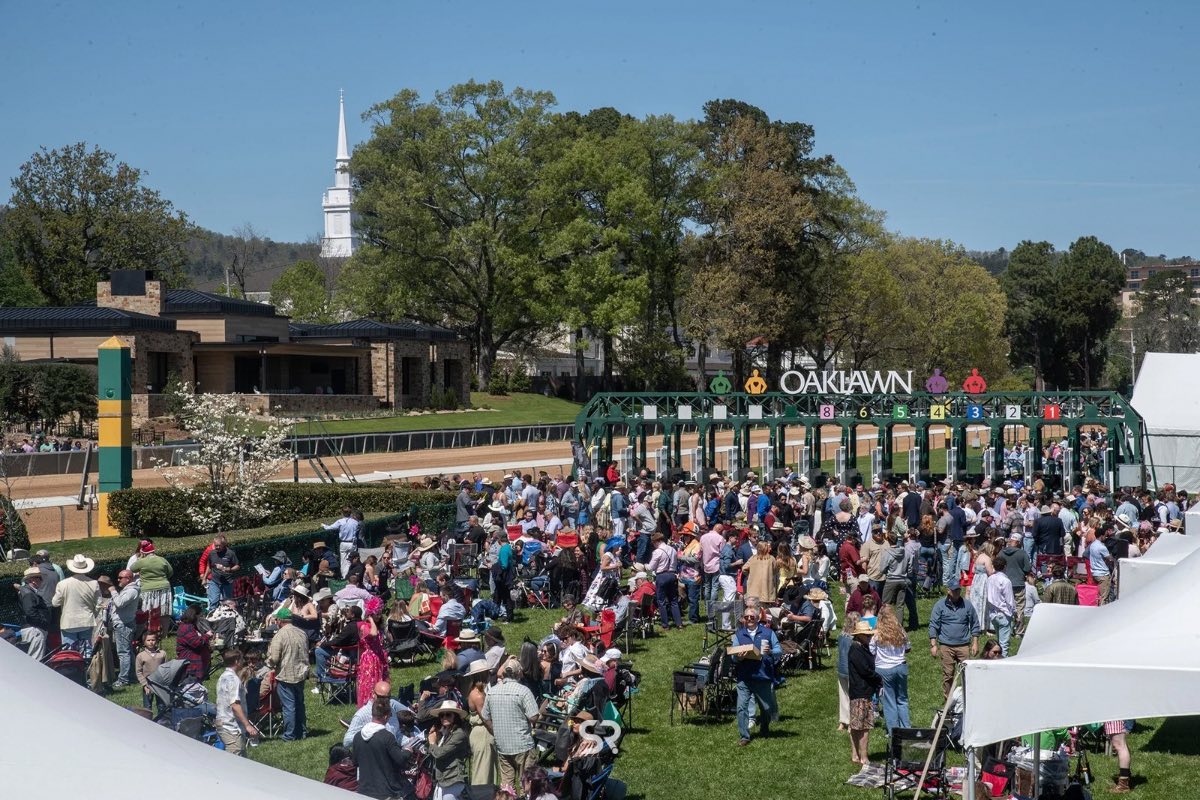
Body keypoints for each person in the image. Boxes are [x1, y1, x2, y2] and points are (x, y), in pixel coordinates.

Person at [482, 659, 541, 796]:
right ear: (519, 673)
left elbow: (485, 717)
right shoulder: (523, 691)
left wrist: (495, 730)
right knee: (527, 785)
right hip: (522, 745)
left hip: (503, 745)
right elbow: (533, 717)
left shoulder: (492, 692)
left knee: (507, 787)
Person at [732, 607, 782, 746]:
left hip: (762, 675)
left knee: (766, 708)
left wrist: (771, 651)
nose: (749, 619)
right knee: (741, 707)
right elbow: (733, 656)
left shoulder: (768, 633)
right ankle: (744, 736)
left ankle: (764, 727)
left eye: (751, 617)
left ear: (757, 618)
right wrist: (739, 658)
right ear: (743, 619)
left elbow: (779, 650)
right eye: (746, 617)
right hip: (745, 677)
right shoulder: (739, 635)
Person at [928, 577, 981, 699]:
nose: (957, 593)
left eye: (958, 590)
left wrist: (975, 643)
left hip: (963, 645)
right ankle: (949, 700)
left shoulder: (967, 605)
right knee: (948, 674)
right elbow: (933, 625)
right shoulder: (939, 605)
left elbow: (974, 623)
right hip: (946, 645)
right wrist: (933, 644)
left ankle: (968, 698)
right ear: (948, 590)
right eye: (954, 590)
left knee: (967, 674)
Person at [353, 696, 414, 800]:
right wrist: (408, 751)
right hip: (385, 792)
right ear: (386, 717)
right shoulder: (387, 737)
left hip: (364, 790)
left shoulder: (358, 736)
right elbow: (400, 759)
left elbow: (355, 762)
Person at [267, 607, 311, 741]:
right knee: (299, 704)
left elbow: (274, 658)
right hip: (301, 673)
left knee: (289, 707)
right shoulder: (302, 633)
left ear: (279, 620)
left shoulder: (279, 635)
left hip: (286, 674)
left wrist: (267, 662)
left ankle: (289, 735)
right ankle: (301, 732)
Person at [847, 620, 883, 772]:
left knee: (856, 725)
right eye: (867, 635)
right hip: (861, 692)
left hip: (858, 691)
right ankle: (864, 757)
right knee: (864, 727)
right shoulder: (856, 650)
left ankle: (856, 755)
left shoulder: (859, 647)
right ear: (859, 635)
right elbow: (865, 670)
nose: (869, 638)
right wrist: (879, 678)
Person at [871, 606, 911, 737]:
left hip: (883, 669)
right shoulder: (900, 631)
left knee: (889, 702)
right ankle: (906, 728)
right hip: (900, 666)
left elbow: (871, 651)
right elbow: (908, 647)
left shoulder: (876, 633)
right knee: (902, 700)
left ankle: (894, 732)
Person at [52, 554, 101, 657]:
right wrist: (93, 614)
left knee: (69, 651)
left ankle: (71, 670)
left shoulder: (63, 584)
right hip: (86, 621)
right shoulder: (94, 583)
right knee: (87, 649)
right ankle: (87, 670)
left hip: (69, 622)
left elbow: (55, 603)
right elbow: (98, 604)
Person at [215, 647, 259, 755]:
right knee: (235, 758)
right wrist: (247, 725)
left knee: (241, 757)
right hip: (231, 726)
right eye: (242, 660)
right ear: (236, 661)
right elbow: (235, 705)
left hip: (222, 721)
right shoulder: (234, 680)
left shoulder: (223, 676)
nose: (243, 662)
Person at [343, 680, 412, 747]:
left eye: (387, 698)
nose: (384, 701)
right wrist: (367, 733)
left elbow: (396, 734)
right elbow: (346, 742)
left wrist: (410, 742)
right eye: (381, 697)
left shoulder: (392, 711)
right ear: (373, 694)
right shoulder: (362, 714)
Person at [427, 700, 472, 800]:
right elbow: (433, 751)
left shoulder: (459, 734)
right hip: (442, 779)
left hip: (453, 780)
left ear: (455, 716)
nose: (444, 718)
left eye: (448, 715)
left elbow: (439, 753)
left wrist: (432, 742)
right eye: (442, 715)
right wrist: (435, 734)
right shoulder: (445, 733)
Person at [103, 569, 140, 688]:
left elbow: (119, 603)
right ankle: (133, 676)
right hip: (123, 623)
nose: (118, 579)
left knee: (123, 652)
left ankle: (123, 679)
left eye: (120, 577)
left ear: (128, 579)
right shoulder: (129, 590)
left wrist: (113, 591)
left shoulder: (132, 591)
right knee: (128, 651)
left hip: (124, 624)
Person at [130, 540, 174, 634]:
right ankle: (164, 633)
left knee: (148, 612)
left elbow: (132, 568)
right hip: (164, 587)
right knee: (164, 612)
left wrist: (141, 557)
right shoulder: (162, 560)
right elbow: (170, 572)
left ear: (143, 552)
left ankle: (149, 632)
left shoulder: (142, 561)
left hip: (147, 589)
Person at [646, 531, 682, 630]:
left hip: (661, 576)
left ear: (657, 541)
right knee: (673, 600)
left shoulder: (657, 552)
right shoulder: (673, 550)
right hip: (672, 574)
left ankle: (665, 624)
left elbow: (651, 567)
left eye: (653, 543)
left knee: (661, 601)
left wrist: (645, 566)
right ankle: (679, 623)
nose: (653, 545)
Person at [15, 566, 50, 661]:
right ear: (33, 580)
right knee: (36, 659)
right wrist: (42, 623)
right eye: (40, 578)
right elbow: (30, 612)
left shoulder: (28, 592)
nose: (42, 581)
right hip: (35, 630)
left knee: (34, 657)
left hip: (34, 628)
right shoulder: (29, 594)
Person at [836, 611, 862, 732]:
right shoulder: (856, 639)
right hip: (852, 671)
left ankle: (843, 721)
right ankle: (852, 723)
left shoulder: (841, 636)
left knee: (843, 696)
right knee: (853, 697)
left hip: (841, 669)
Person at [985, 555, 1016, 657]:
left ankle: (996, 658)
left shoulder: (990, 579)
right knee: (1004, 643)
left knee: (999, 641)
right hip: (1004, 613)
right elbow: (1009, 600)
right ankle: (1003, 661)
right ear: (1005, 567)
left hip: (993, 614)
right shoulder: (1006, 581)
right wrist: (1014, 613)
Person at [176, 604, 213, 680]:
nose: (201, 618)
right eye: (200, 615)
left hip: (198, 665)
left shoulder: (192, 626)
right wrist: (207, 635)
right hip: (191, 665)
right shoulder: (186, 627)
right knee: (191, 688)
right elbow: (196, 642)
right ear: (195, 615)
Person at [324, 506, 363, 578]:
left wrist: (324, 525)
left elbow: (329, 528)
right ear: (350, 513)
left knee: (343, 561)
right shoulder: (355, 522)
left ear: (342, 513)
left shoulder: (340, 521)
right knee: (351, 560)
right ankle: (350, 575)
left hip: (344, 542)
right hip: (352, 543)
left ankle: (345, 576)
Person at [204, 535, 240, 607]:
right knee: (213, 601)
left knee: (228, 602)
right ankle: (213, 617)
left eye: (219, 546)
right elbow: (209, 567)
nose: (217, 547)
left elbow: (237, 566)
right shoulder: (212, 553)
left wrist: (228, 569)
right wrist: (204, 578)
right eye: (215, 545)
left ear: (223, 545)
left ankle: (229, 617)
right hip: (214, 581)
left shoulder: (230, 553)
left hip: (227, 582)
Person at [742, 539, 779, 604]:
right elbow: (776, 570)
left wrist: (749, 575)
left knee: (754, 611)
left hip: (754, 591)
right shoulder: (771, 559)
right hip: (767, 591)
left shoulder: (753, 558)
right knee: (764, 612)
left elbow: (744, 568)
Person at [1105, 719, 1134, 793]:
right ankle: (1126, 776)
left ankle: (1123, 785)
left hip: (1114, 715)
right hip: (1114, 714)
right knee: (1121, 745)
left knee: (1120, 745)